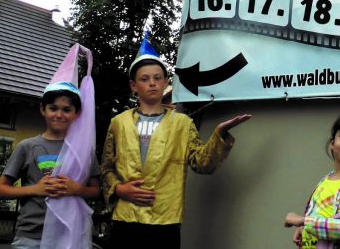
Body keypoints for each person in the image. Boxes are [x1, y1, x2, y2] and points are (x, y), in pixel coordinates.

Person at [101, 36, 251, 248]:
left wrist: (219, 135)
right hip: (125, 219)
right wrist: (119, 189)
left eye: (157, 78)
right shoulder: (119, 123)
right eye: (144, 79)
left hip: (165, 221)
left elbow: (202, 163)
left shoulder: (182, 123)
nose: (152, 83)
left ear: (165, 82)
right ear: (133, 86)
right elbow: (107, 168)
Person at [0, 82, 101, 248]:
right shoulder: (27, 146)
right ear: (43, 109)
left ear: (77, 114)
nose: (59, 115)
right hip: (30, 235)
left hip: (69, 235)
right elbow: (0, 190)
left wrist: (77, 189)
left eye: (66, 110)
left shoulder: (84, 151)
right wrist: (36, 189)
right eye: (53, 108)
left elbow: (96, 191)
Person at [283, 113, 340, 248]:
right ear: (332, 144)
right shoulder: (326, 179)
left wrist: (304, 221)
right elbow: (319, 214)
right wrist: (304, 228)